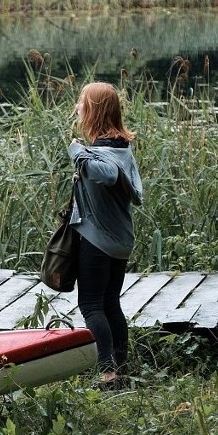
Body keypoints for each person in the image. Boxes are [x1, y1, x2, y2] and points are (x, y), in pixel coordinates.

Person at [68, 82, 143, 387]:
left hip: (98, 241)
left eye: (82, 103)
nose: (78, 108)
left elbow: (107, 175)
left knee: (91, 305)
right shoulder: (123, 147)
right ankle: (121, 368)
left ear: (94, 110)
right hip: (121, 240)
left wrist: (77, 153)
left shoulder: (98, 153)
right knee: (111, 302)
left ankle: (107, 371)